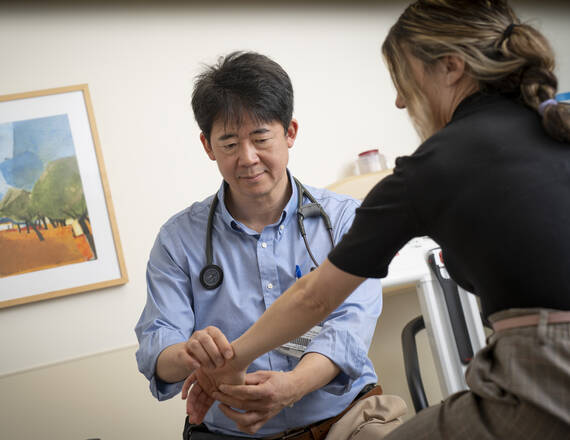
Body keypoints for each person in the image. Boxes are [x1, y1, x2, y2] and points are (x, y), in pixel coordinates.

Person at [183, 1, 570, 439]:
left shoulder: (431, 167)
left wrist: (231, 359)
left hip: (545, 374)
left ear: (451, 67)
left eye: (403, 79)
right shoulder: (555, 126)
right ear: (209, 146)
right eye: (231, 141)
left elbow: (315, 299)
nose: (400, 99)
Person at [134, 51, 385, 439]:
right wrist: (195, 356)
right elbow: (157, 345)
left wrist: (291, 387)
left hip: (346, 421)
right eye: (230, 142)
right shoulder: (177, 240)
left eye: (261, 137)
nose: (248, 158)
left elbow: (350, 326)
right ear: (207, 146)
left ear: (290, 133)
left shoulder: (344, 219)